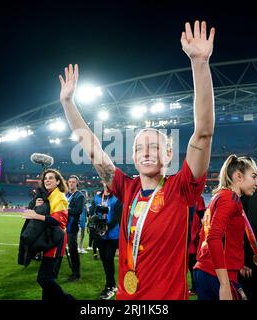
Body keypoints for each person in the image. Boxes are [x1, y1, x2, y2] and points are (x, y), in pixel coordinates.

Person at [58, 20, 214, 299]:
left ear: (169, 154)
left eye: (155, 146)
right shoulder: (126, 188)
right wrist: (68, 104)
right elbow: (92, 147)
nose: (146, 151)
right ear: (132, 156)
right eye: (140, 147)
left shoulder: (182, 188)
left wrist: (199, 63)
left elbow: (203, 133)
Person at [194, 155, 257, 300]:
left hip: (208, 271)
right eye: (254, 176)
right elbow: (213, 237)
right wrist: (224, 284)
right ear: (238, 176)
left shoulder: (220, 196)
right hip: (215, 275)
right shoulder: (229, 199)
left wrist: (235, 263)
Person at [21, 169, 73, 301]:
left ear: (57, 181)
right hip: (49, 238)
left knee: (44, 278)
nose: (47, 180)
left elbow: (58, 221)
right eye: (45, 178)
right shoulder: (49, 196)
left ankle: (67, 299)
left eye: (51, 178)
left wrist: (36, 215)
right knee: (48, 278)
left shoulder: (59, 196)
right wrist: (38, 207)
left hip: (56, 240)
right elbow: (46, 213)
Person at [91, 181, 123, 300]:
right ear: (103, 182)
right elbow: (93, 212)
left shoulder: (117, 198)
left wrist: (107, 227)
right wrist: (94, 221)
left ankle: (109, 286)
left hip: (113, 234)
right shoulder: (97, 197)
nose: (108, 184)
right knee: (104, 259)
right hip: (100, 234)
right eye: (106, 182)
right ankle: (112, 284)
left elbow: (117, 217)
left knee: (108, 258)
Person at [65, 175, 85, 281]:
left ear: (77, 183)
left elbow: (78, 211)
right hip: (63, 226)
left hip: (72, 227)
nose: (71, 183)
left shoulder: (79, 196)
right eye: (69, 181)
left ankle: (76, 273)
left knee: (73, 251)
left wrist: (65, 210)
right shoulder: (67, 194)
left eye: (73, 182)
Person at [187, 196, 205, 296]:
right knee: (191, 264)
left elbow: (202, 216)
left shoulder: (198, 198)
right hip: (187, 233)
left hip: (194, 236)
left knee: (193, 264)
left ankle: (195, 288)